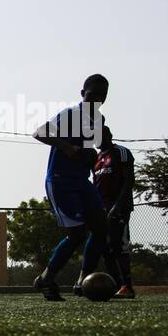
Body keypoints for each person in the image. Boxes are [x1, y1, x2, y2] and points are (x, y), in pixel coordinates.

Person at [31, 74, 125, 301]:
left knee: (101, 229)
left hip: (83, 182)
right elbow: (39, 132)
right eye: (93, 94)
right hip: (61, 180)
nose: (97, 99)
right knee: (76, 234)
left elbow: (97, 148)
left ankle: (82, 280)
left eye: (102, 96)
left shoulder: (99, 119)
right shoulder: (71, 113)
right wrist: (67, 148)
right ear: (82, 93)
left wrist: (103, 143)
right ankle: (46, 278)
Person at [88, 125, 136, 297]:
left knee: (119, 246)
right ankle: (116, 284)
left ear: (108, 135)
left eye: (98, 136)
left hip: (118, 208)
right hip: (101, 209)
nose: (95, 140)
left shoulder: (121, 152)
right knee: (105, 248)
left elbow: (129, 180)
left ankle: (127, 286)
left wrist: (118, 205)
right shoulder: (97, 158)